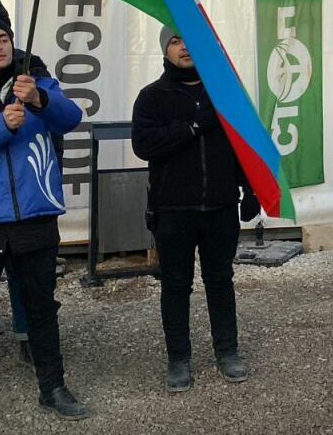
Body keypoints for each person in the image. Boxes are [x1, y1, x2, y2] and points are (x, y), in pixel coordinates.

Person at [0, 0, 89, 434]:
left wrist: (41, 101)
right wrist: (0, 126)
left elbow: (71, 118)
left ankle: (53, 387)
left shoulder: (35, 77)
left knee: (42, 309)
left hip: (34, 214)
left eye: (3, 38)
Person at [131, 26, 256, 393]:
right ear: (165, 50)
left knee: (220, 281)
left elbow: (244, 146)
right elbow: (145, 145)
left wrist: (249, 189)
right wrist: (193, 126)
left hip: (220, 207)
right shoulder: (152, 97)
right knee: (175, 285)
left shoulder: (224, 94)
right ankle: (178, 358)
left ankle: (227, 351)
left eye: (190, 38)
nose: (184, 46)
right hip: (173, 209)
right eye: (175, 41)